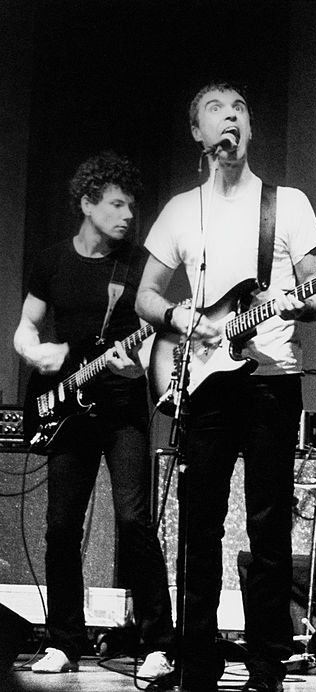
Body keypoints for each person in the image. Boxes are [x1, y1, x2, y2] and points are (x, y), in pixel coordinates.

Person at [135, 82, 316, 692]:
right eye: (217, 111)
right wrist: (180, 317)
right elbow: (145, 297)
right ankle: (197, 662)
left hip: (273, 380)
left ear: (250, 128)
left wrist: (297, 303)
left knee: (269, 528)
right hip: (204, 383)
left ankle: (267, 667)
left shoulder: (287, 205)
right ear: (198, 133)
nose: (231, 117)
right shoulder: (179, 210)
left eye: (240, 108)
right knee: (199, 527)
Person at [13, 152, 174, 679]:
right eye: (116, 204)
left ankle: (158, 644)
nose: (128, 214)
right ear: (87, 203)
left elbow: (155, 333)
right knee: (61, 527)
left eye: (132, 206)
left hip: (123, 409)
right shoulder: (52, 261)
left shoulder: (138, 265)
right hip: (67, 410)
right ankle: (64, 642)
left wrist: (139, 366)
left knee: (133, 522)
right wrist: (36, 351)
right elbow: (27, 326)